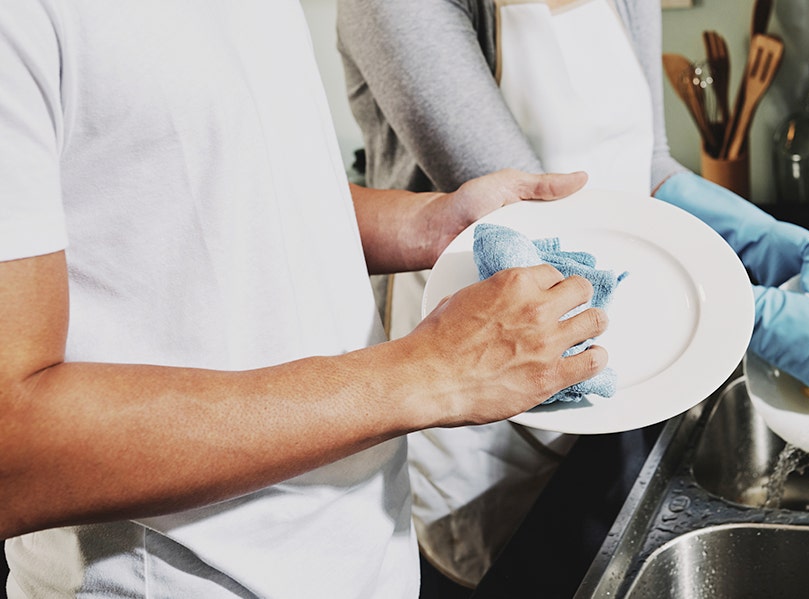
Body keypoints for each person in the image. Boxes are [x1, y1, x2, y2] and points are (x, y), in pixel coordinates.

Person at [0, 2, 610, 597]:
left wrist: (427, 222)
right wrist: (431, 373)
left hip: (373, 552)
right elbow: (12, 445)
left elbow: (241, 183)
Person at [337, 0, 809, 588]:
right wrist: (751, 309)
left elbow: (642, 164)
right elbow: (526, 218)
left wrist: (752, 235)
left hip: (622, 354)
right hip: (483, 387)